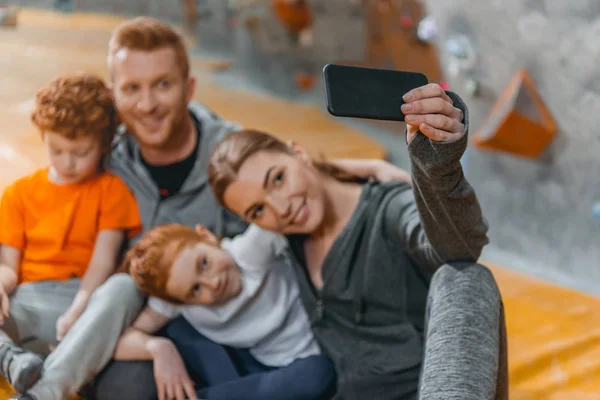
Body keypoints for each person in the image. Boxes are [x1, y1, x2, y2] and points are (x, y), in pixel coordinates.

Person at [12, 17, 410, 400]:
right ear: (115, 94)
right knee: (118, 365)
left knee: (137, 382)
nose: (147, 104)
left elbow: (289, 170)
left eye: (162, 85)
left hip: (221, 321)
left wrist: (368, 168)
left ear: (189, 88)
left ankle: (65, 370)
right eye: (132, 88)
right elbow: (46, 195)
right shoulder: (106, 156)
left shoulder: (228, 155)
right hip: (138, 314)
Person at [206, 84, 509, 400]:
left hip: (421, 389)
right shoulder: (285, 238)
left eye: (278, 178)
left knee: (468, 280)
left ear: (298, 152)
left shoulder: (388, 209)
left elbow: (460, 246)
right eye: (258, 210)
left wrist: (438, 164)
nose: (282, 208)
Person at [0, 74, 141, 395]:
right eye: (57, 149)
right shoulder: (18, 194)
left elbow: (103, 261)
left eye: (80, 152)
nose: (67, 162)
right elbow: (9, 265)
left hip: (82, 299)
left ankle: (41, 383)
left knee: (124, 289)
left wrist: (78, 310)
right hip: (26, 301)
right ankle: (13, 361)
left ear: (103, 144)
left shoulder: (111, 190)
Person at [115, 223, 336, 400]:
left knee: (318, 373)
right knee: (179, 331)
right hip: (263, 364)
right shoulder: (177, 302)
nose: (213, 283)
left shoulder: (252, 250)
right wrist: (160, 349)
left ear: (207, 236)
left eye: (204, 263)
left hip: (310, 355)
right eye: (195, 290)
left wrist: (369, 170)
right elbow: (118, 343)